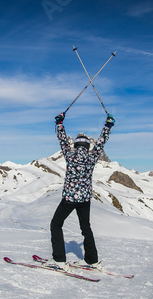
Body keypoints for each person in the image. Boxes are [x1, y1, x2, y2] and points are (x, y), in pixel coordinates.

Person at [45, 112, 115, 271]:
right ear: (87, 147)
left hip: (69, 199)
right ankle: (92, 260)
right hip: (85, 200)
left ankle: (59, 260)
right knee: (86, 228)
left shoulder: (70, 156)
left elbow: (62, 140)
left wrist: (60, 123)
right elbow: (101, 143)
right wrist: (108, 125)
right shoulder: (92, 158)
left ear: (76, 145)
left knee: (56, 224)